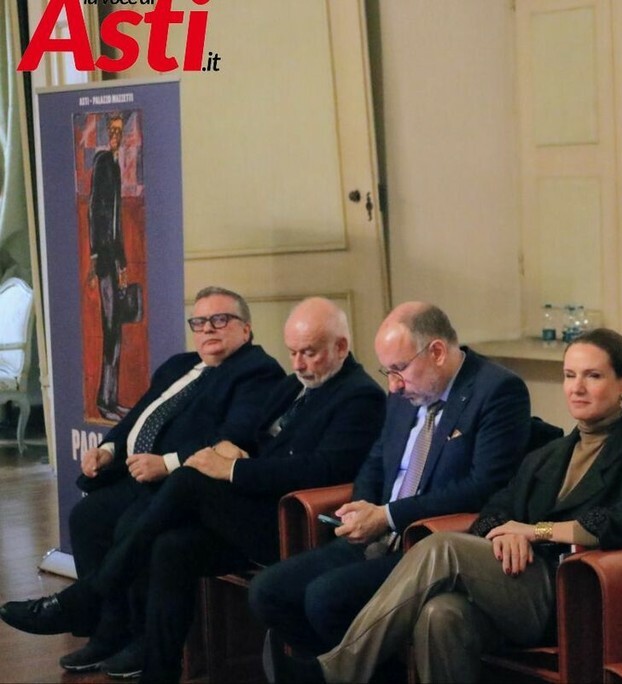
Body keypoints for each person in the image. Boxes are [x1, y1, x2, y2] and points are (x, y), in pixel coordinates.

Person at [279, 327, 622, 683]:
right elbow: (495, 510)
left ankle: (336, 671)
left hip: (576, 593)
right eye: (569, 375)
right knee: (440, 615)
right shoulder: (552, 453)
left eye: (593, 376)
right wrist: (505, 535)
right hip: (519, 580)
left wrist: (536, 532)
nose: (577, 388)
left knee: (443, 547)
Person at [0, 287, 285, 668]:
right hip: (142, 476)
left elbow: (234, 438)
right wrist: (109, 449)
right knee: (87, 517)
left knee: (133, 526)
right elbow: (137, 418)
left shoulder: (257, 371)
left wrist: (165, 463)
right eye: (199, 322)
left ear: (246, 328)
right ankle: (108, 631)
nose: (207, 329)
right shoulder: (179, 365)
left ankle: (138, 638)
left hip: (191, 486)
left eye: (220, 320)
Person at [249, 301, 533, 671]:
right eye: (387, 371)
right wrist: (363, 506)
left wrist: (388, 516)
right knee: (268, 591)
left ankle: (336, 674)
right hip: (376, 535)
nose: (393, 384)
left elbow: (483, 486)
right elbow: (376, 459)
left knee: (325, 598)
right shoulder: (404, 394)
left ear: (436, 352)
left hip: (425, 547)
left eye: (399, 369)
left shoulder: (496, 390)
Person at [88, 113, 129, 421]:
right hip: (103, 262)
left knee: (116, 330)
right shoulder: (103, 162)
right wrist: (95, 258)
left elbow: (116, 222)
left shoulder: (114, 165)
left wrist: (122, 263)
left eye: (119, 131)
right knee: (110, 329)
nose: (116, 135)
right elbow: (95, 211)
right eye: (112, 131)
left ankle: (111, 400)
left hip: (113, 262)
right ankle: (104, 401)